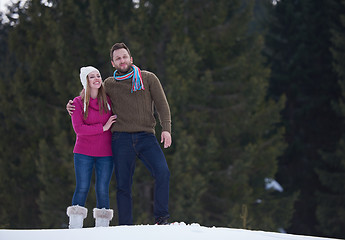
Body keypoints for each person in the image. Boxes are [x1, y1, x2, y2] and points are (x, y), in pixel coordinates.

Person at [67, 43, 172, 225]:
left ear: (131, 59)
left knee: (163, 172)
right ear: (113, 63)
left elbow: (162, 104)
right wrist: (72, 106)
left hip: (146, 136)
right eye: (118, 58)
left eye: (124, 57)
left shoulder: (148, 78)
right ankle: (125, 225)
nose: (122, 60)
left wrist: (166, 129)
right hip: (120, 138)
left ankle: (161, 218)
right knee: (123, 185)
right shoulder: (109, 84)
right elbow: (90, 93)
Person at [66, 66, 117, 229]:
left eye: (98, 75)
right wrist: (102, 128)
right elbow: (79, 129)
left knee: (102, 188)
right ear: (85, 81)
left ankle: (102, 230)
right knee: (82, 186)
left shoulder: (108, 101)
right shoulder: (77, 103)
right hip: (83, 152)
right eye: (91, 77)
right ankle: (74, 228)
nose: (96, 79)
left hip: (106, 152)